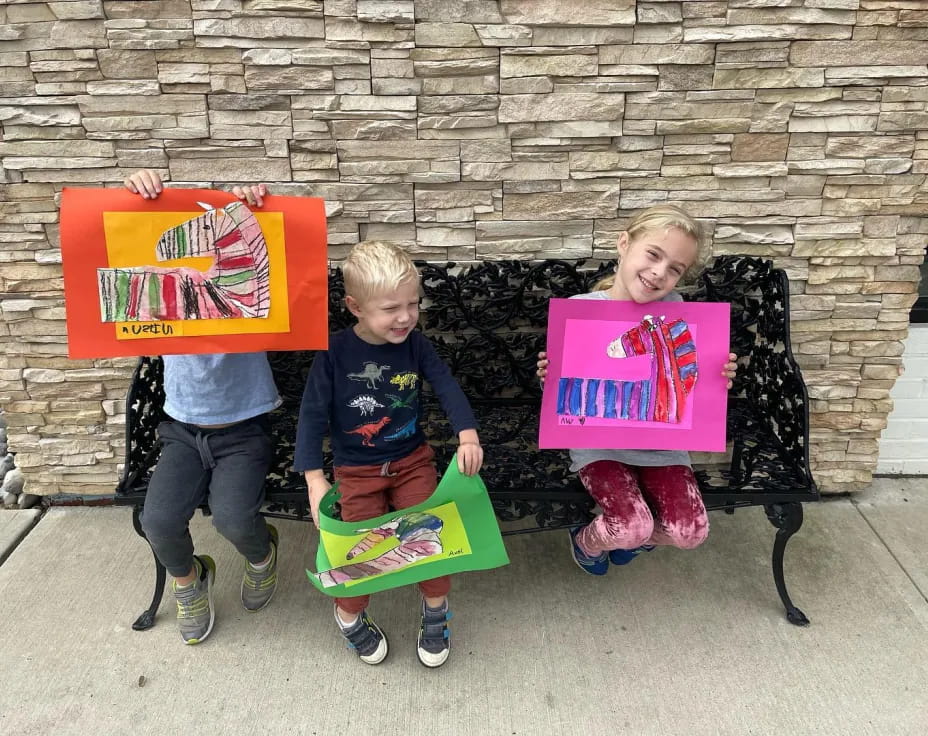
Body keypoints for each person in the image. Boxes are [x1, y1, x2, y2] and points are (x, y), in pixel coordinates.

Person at [294, 240, 483, 668]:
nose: (405, 317)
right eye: (391, 308)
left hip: (412, 462)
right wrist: (313, 476)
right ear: (355, 306)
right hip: (356, 472)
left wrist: (467, 435)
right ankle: (349, 614)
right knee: (360, 554)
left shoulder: (416, 345)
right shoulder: (334, 352)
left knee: (431, 539)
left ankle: (436, 611)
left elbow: (447, 386)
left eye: (413, 304)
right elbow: (311, 413)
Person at [536, 205, 738, 575]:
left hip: (662, 446)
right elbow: (566, 388)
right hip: (600, 446)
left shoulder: (678, 312)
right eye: (653, 254)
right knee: (630, 527)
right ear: (624, 244)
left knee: (691, 532)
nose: (659, 272)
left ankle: (638, 540)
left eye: (675, 268)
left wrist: (717, 372)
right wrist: (551, 374)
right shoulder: (581, 310)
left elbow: (692, 375)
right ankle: (587, 541)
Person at [124, 170, 281, 644]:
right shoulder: (164, 292)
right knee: (159, 520)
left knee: (235, 520)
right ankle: (189, 581)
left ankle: (262, 555)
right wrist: (134, 190)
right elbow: (125, 249)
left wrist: (247, 211)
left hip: (243, 430)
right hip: (182, 430)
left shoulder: (249, 293)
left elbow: (264, 257)